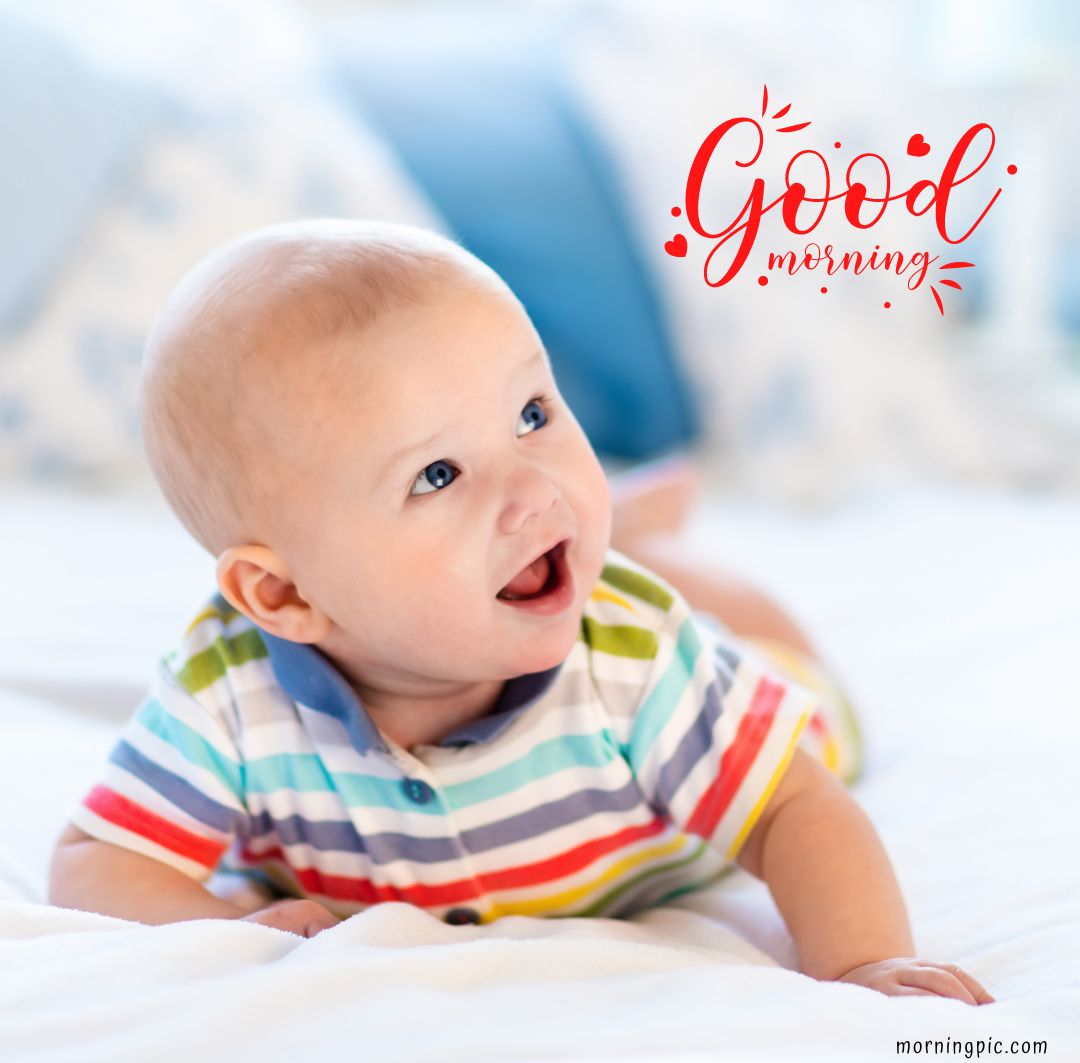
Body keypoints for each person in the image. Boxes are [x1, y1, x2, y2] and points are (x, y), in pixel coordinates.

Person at [49, 219, 992, 1005]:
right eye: (438, 475)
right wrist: (225, 929)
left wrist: (863, 963)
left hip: (754, 701)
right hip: (554, 607)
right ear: (285, 597)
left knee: (778, 670)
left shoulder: (632, 654)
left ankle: (647, 547)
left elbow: (794, 808)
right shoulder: (227, 692)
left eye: (534, 414)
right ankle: (630, 534)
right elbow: (94, 858)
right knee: (578, 547)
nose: (532, 489)